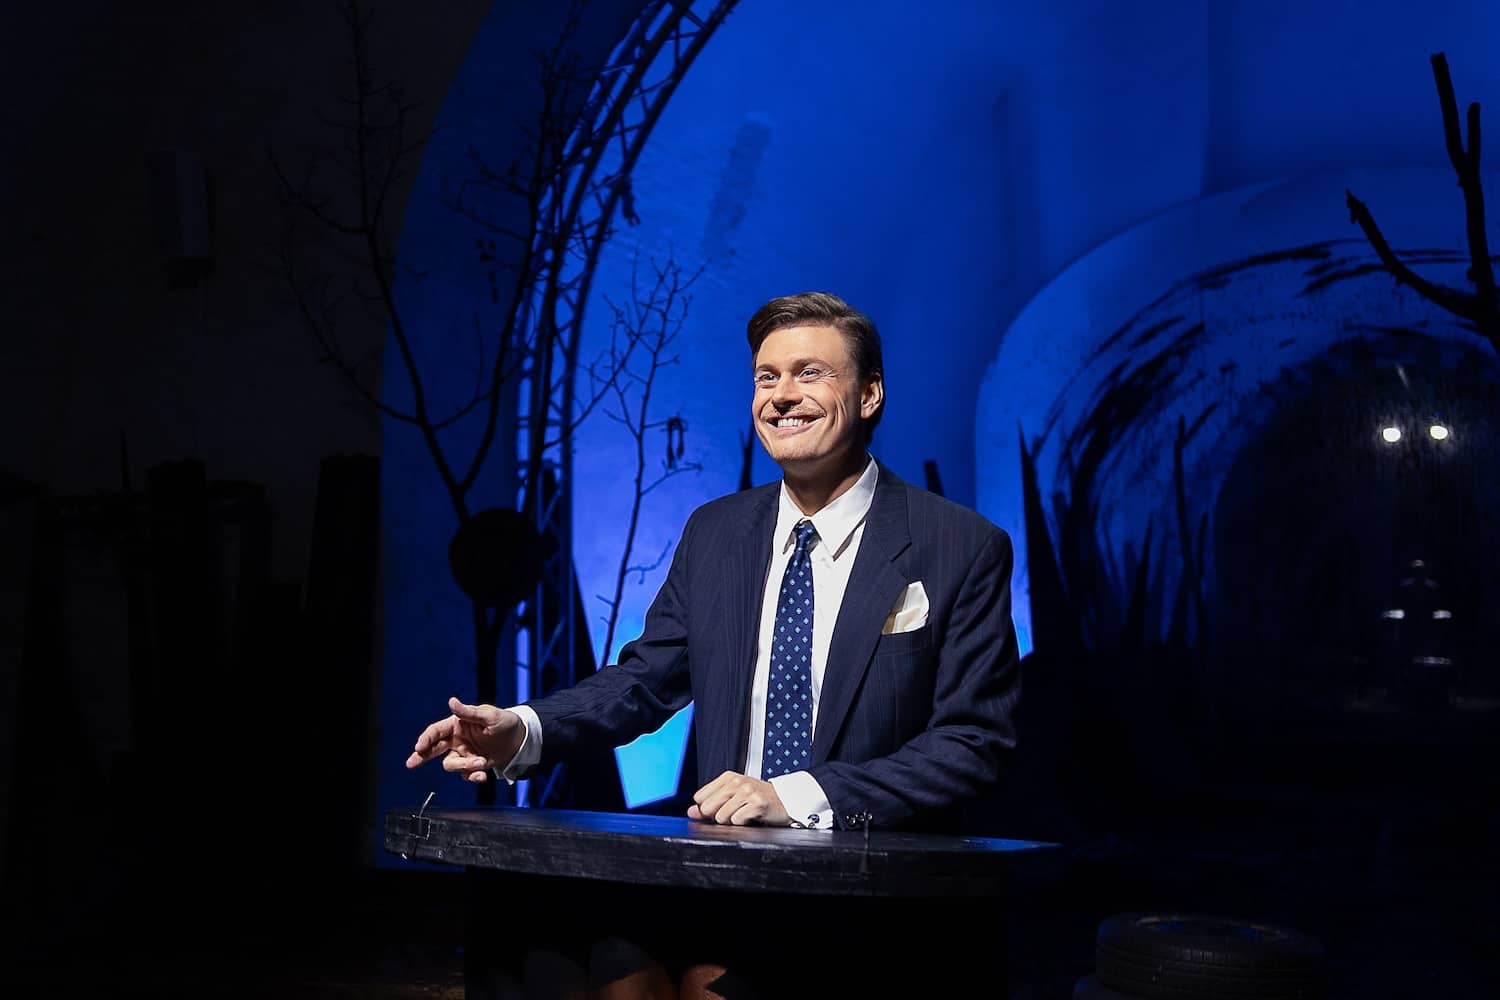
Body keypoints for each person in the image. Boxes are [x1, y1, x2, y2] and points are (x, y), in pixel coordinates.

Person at [407, 292, 1022, 997]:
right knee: (567, 957)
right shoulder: (715, 532)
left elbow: (972, 741)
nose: (781, 396)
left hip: (868, 897)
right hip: (715, 874)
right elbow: (644, 681)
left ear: (870, 395)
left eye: (810, 373)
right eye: (767, 377)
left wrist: (792, 796)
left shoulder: (959, 545)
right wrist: (523, 729)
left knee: (708, 984)